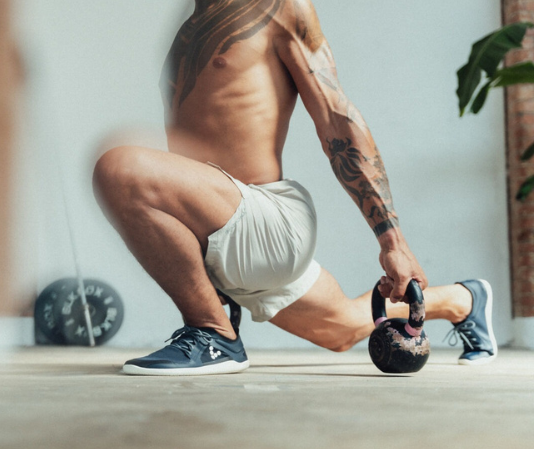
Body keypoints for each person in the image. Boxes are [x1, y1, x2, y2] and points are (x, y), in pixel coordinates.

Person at [92, 0, 497, 375]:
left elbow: (338, 122)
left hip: (265, 222)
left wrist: (393, 243)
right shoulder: (194, 19)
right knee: (339, 328)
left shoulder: (280, 7)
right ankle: (464, 300)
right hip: (219, 232)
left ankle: (213, 333)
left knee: (119, 168)